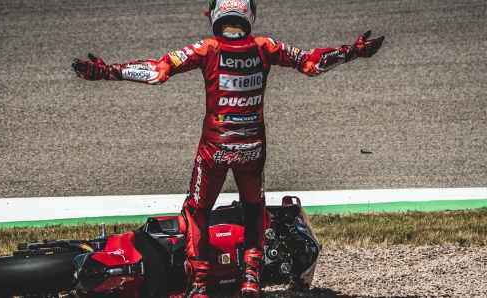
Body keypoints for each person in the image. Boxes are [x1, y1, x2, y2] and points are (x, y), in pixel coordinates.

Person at [72, 1, 384, 297]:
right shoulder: (266, 46)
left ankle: (198, 287)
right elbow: (312, 63)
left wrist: (109, 71)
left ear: (217, 14)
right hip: (252, 149)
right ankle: (251, 280)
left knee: (196, 213)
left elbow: (158, 70)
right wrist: (351, 52)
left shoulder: (206, 49)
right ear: (248, 14)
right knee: (253, 210)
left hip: (214, 150)